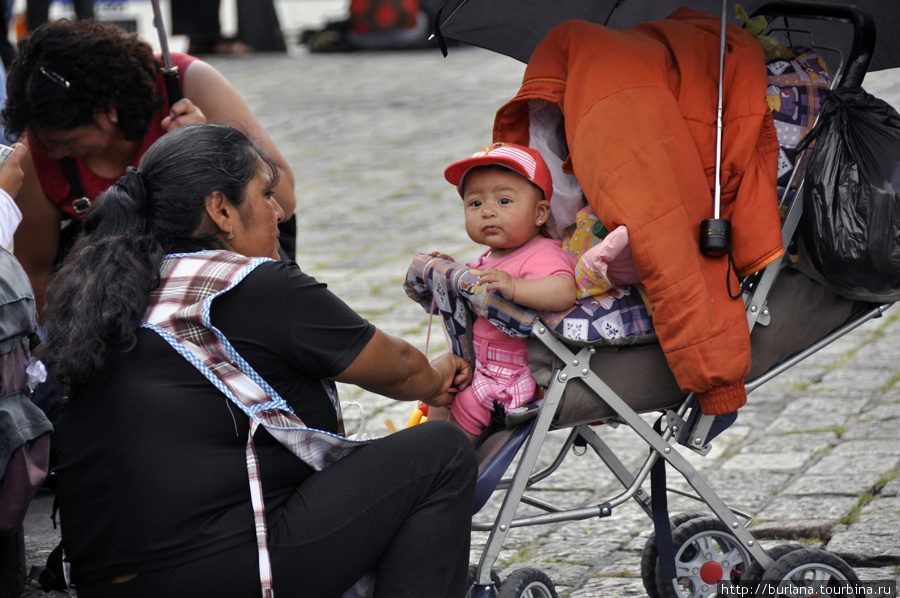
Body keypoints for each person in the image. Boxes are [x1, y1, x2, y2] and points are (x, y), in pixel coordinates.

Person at [35, 123, 476, 598]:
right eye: (266, 193)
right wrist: (437, 381)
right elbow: (402, 368)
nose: (281, 211)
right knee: (440, 452)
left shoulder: (112, 290)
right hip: (217, 571)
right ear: (221, 209)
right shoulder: (251, 283)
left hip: (102, 580)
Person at [0, 18, 297, 318]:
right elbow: (35, 271)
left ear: (107, 112)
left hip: (228, 283)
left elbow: (284, 198)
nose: (52, 151)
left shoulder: (188, 84)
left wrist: (214, 150)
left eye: (64, 141)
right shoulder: (39, 150)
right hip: (121, 305)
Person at [429, 142, 577, 441]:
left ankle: (448, 462)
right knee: (438, 393)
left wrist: (515, 287)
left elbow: (564, 291)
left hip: (512, 372)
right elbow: (474, 290)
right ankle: (427, 452)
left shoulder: (543, 253)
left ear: (539, 213)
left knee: (463, 411)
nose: (488, 212)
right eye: (475, 204)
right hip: (478, 363)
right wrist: (452, 270)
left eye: (504, 201)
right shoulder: (490, 257)